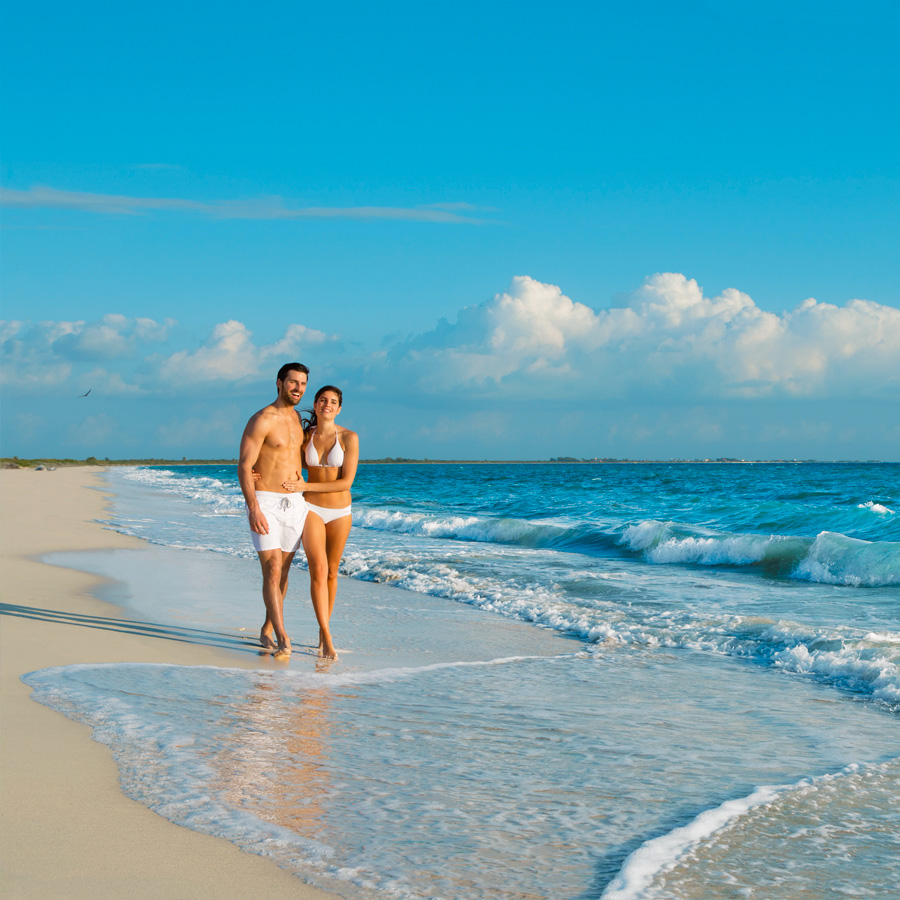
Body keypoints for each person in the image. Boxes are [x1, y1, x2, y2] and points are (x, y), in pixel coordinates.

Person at [283, 385, 358, 661]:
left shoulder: (350, 437)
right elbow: (280, 457)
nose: (327, 404)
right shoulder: (305, 436)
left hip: (341, 511)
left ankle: (321, 628)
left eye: (333, 402)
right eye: (323, 400)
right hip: (311, 507)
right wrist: (256, 472)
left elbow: (346, 482)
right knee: (318, 568)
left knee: (332, 573)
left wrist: (305, 483)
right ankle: (327, 636)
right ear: (315, 404)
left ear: (339, 408)